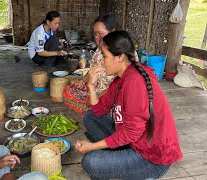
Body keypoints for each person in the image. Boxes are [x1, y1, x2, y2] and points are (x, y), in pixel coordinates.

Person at [75, 30, 183, 179]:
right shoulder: (120, 79)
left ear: (120, 57)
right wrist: (91, 87)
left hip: (152, 157)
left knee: (90, 161)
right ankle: (115, 155)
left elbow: (131, 133)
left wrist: (92, 147)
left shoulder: (135, 82)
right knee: (90, 116)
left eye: (105, 57)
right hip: (135, 142)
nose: (101, 62)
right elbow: (99, 111)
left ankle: (129, 166)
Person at [63, 15, 118, 115]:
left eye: (100, 33)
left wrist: (97, 96)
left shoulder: (120, 51)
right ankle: (92, 108)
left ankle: (96, 111)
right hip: (95, 89)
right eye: (95, 34)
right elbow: (93, 70)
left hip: (109, 95)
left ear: (113, 32)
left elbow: (119, 85)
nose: (97, 37)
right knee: (68, 91)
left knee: (91, 111)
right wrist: (83, 80)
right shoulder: (99, 49)